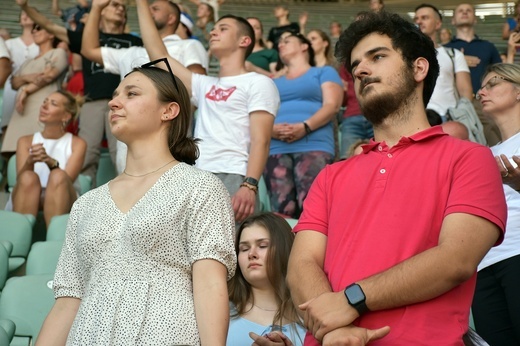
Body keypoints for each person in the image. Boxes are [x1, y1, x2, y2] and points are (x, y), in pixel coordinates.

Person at [286, 11, 507, 345]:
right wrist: (336, 328)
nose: (360, 70)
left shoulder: (470, 158)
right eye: (356, 64)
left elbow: (455, 260)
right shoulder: (331, 175)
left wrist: (350, 301)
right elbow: (301, 263)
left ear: (419, 68)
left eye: (377, 57)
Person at [36, 61, 236, 345]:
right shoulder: (86, 204)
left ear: (169, 110)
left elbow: (209, 284)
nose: (114, 103)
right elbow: (68, 300)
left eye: (131, 94)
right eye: (115, 95)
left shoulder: (201, 187)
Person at [135, 0, 280, 223]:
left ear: (244, 40)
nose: (214, 32)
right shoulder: (204, 85)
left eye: (223, 29)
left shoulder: (258, 83)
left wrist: (249, 185)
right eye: (214, 28)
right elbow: (157, 54)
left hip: (233, 175)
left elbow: (261, 140)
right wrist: (141, 4)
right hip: (197, 175)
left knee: (225, 252)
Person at [16, 0, 143, 185]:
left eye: (123, 6)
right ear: (101, 9)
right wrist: (25, 7)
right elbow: (50, 25)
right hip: (93, 101)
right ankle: (82, 199)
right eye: (115, 4)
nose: (121, 8)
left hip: (124, 103)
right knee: (87, 153)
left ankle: (127, 199)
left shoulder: (136, 42)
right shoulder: (86, 38)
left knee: (124, 154)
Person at [81, 0, 208, 173]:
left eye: (155, 8)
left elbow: (194, 92)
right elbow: (89, 50)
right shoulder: (132, 52)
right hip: (126, 159)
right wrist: (96, 7)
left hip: (168, 151)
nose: (148, 10)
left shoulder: (189, 45)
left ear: (171, 18)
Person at [265, 31, 342, 219]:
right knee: (281, 208)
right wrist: (271, 130)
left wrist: (305, 127)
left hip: (314, 144)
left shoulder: (323, 72)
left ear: (304, 46)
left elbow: (332, 105)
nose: (281, 44)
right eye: (279, 42)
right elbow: (260, 113)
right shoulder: (272, 81)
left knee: (313, 206)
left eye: (287, 40)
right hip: (276, 146)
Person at [472, 63, 520, 346]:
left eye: (492, 83)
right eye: (481, 87)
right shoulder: (482, 155)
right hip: (483, 263)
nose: (481, 92)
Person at [227, 213, 306, 346]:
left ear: (284, 249)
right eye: (244, 249)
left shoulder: (309, 316)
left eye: (262, 246)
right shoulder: (221, 311)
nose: (251, 254)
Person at [9, 91, 86, 227]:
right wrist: (30, 161)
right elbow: (20, 180)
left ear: (66, 116)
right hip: (28, 191)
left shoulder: (78, 144)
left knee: (58, 175)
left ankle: (55, 238)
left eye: (53, 104)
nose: (44, 106)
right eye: (45, 101)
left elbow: (66, 180)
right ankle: (20, 236)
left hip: (63, 193)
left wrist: (50, 162)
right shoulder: (25, 141)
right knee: (27, 177)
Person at [1, 24, 68, 154]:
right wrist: (28, 77)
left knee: (37, 152)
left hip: (42, 111)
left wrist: (26, 90)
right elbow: (14, 82)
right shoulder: (28, 61)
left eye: (38, 28)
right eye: (33, 30)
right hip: (20, 113)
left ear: (51, 34)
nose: (34, 31)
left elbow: (49, 75)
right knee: (12, 154)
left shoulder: (58, 52)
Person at [444, 3, 502, 146]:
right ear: (453, 20)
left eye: (468, 10)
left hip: (483, 102)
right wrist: (459, 59)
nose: (464, 12)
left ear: (475, 19)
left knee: (495, 142)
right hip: (454, 105)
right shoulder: (446, 50)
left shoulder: (488, 46)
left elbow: (500, 75)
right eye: (460, 10)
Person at [414, 4, 473, 121]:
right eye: (416, 19)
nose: (419, 21)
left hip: (448, 119)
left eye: (424, 18)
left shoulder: (454, 54)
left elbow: (465, 92)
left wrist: (461, 117)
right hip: (415, 120)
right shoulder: (404, 55)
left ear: (438, 24)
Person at [1, 10, 39, 132]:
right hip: (10, 89)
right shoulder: (8, 43)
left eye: (29, 13)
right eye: (23, 14)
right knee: (7, 126)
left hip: (35, 87)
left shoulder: (42, 44)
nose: (26, 15)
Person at [338, 65, 372, 159]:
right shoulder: (345, 66)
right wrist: (342, 92)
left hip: (375, 114)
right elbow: (342, 102)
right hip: (351, 116)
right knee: (347, 159)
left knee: (383, 153)